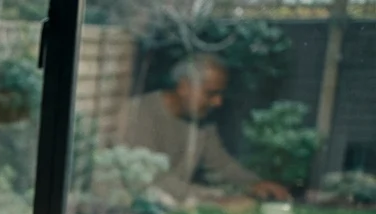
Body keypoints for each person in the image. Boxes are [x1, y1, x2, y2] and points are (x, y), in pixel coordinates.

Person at [115, 53, 291, 204]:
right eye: (211, 93)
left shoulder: (201, 121)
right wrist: (215, 198)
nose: (218, 102)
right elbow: (152, 179)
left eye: (220, 94)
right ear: (184, 87)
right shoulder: (140, 113)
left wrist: (256, 184)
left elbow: (222, 167)